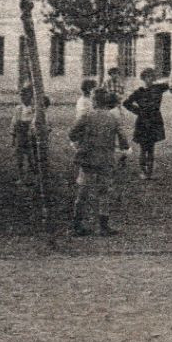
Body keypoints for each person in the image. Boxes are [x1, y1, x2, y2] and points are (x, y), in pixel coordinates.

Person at [70, 88, 127, 236]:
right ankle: (103, 226)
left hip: (87, 157)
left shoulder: (86, 116)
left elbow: (72, 133)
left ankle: (76, 225)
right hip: (106, 158)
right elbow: (124, 141)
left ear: (94, 101)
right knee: (104, 192)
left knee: (83, 190)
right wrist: (122, 151)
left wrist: (82, 140)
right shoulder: (113, 118)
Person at [121, 68, 167, 181]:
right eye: (147, 77)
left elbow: (169, 84)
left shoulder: (158, 88)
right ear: (143, 78)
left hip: (155, 120)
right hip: (143, 121)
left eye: (152, 77)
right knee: (143, 148)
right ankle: (143, 171)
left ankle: (149, 172)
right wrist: (138, 111)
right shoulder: (139, 92)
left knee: (151, 148)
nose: (149, 80)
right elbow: (126, 103)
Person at [12, 84, 39, 184]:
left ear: (31, 95)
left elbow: (35, 122)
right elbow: (14, 123)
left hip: (30, 135)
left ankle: (35, 177)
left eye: (25, 95)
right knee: (19, 158)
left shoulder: (34, 109)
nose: (22, 97)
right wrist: (13, 137)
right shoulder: (18, 108)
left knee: (32, 157)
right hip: (20, 135)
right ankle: (21, 177)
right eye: (21, 95)